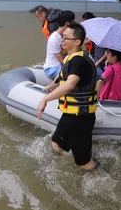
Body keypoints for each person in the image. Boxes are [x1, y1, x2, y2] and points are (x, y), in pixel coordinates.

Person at [37, 24, 100, 170]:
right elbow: (61, 78)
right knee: (57, 145)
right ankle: (72, 156)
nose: (62, 41)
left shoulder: (79, 61)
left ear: (77, 42)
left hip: (81, 118)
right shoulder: (70, 59)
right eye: (62, 37)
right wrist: (50, 86)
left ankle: (101, 174)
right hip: (70, 115)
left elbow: (70, 84)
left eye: (66, 38)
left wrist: (45, 99)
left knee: (84, 164)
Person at [43, 11, 75, 80]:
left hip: (61, 65)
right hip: (53, 68)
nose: (74, 24)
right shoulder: (54, 38)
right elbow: (61, 61)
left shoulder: (65, 36)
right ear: (67, 23)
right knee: (75, 75)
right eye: (73, 22)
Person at [81, 12, 106, 76]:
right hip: (97, 56)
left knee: (99, 73)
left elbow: (86, 41)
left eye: (84, 21)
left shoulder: (97, 32)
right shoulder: (96, 29)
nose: (83, 23)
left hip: (98, 57)